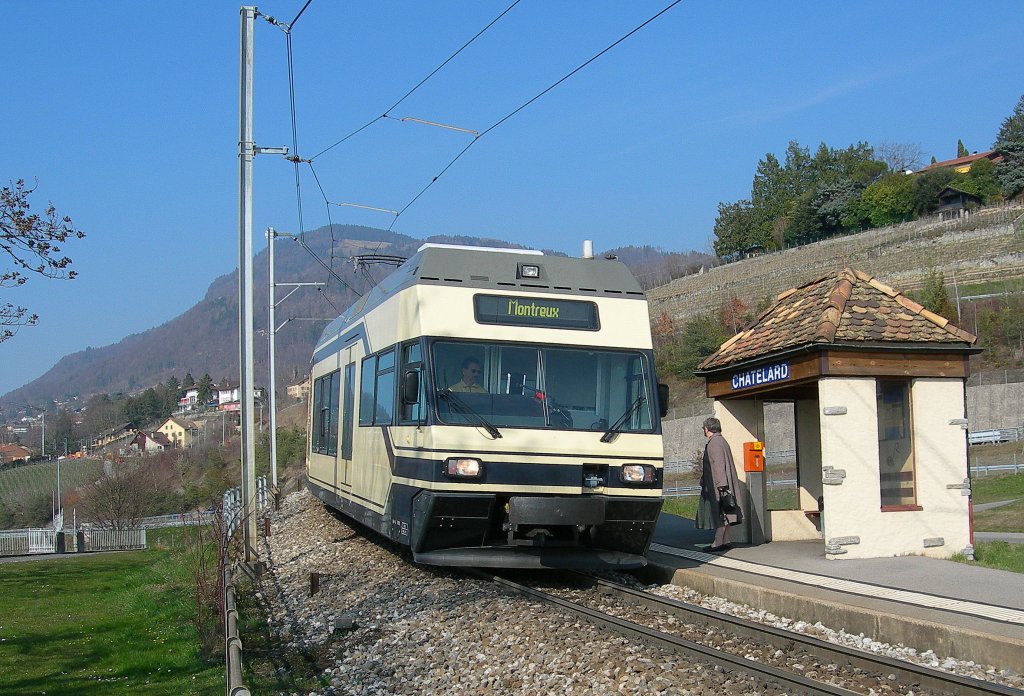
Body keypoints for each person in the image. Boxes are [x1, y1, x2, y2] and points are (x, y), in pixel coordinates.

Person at [696, 416, 743, 552]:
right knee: (727, 512)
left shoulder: (714, 443)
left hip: (718, 485)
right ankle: (726, 540)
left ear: (707, 429)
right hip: (723, 484)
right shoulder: (721, 441)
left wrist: (721, 485)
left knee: (719, 513)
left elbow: (718, 465)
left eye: (704, 428)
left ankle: (718, 542)